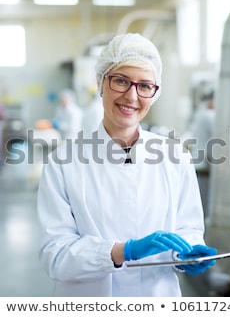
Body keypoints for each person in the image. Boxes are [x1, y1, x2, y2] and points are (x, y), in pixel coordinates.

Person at [37, 33, 217, 297]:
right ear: (100, 83)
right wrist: (122, 251)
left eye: (145, 85)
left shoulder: (175, 157)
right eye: (121, 81)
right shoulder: (63, 163)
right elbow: (55, 255)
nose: (132, 96)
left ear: (154, 92)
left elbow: (188, 230)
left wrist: (188, 253)